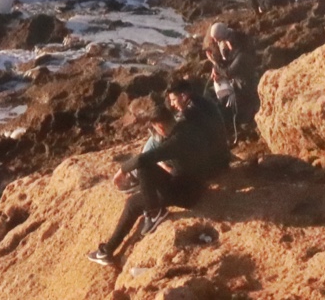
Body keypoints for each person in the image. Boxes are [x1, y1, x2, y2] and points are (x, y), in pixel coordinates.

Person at [88, 83, 231, 266]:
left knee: (133, 201)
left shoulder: (175, 141)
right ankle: (113, 245)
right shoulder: (186, 128)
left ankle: (148, 218)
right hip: (191, 180)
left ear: (160, 127)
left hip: (186, 193)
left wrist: (121, 170)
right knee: (148, 172)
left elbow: (142, 160)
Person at [202, 21, 261, 142]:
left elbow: (229, 71)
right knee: (208, 92)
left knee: (220, 101)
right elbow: (228, 63)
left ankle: (222, 130)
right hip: (237, 80)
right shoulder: (235, 45)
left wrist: (215, 63)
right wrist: (216, 69)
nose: (221, 44)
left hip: (243, 87)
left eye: (221, 40)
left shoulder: (242, 54)